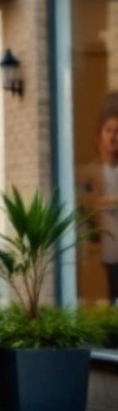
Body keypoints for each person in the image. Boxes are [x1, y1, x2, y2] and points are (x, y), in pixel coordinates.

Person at [80, 92, 118, 304]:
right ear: (99, 136)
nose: (114, 138)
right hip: (104, 256)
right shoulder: (89, 174)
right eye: (109, 131)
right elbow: (87, 206)